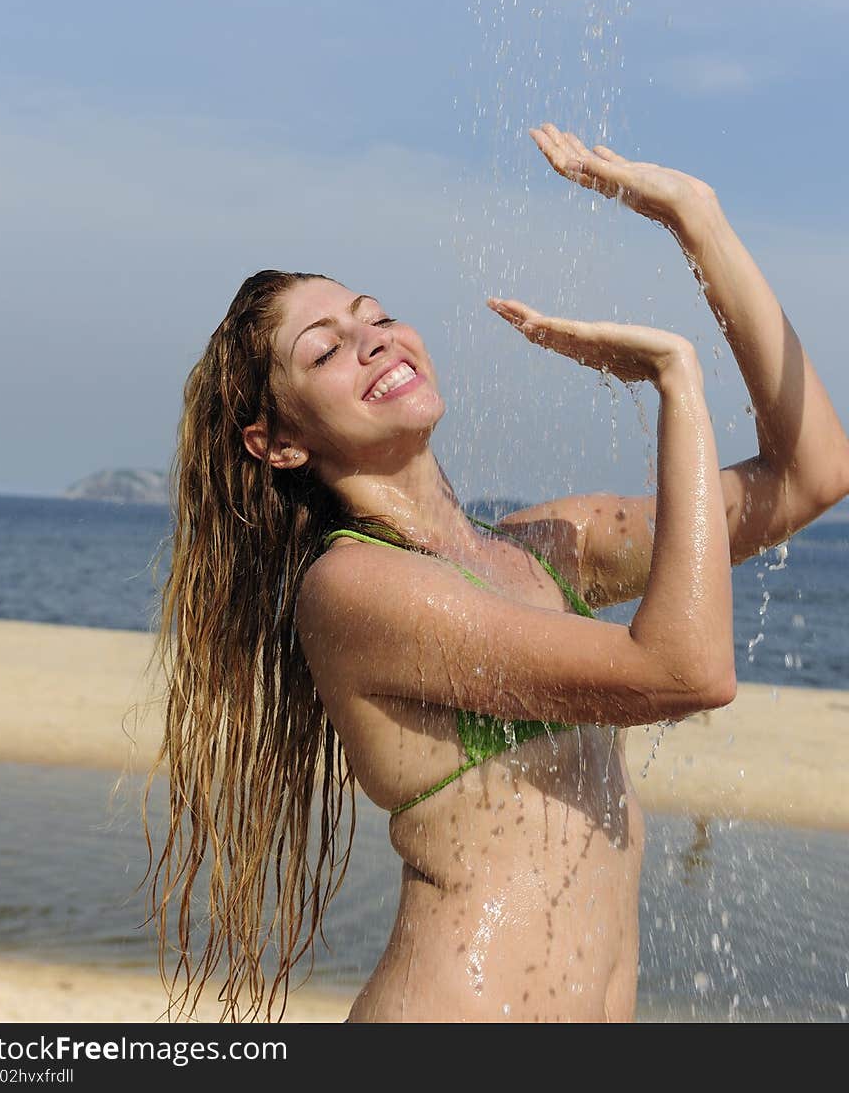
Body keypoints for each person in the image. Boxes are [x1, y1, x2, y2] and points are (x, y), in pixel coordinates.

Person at [141, 123, 849, 1024]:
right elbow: (686, 672)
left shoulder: (546, 550)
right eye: (324, 350)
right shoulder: (356, 588)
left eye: (377, 315)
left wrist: (695, 219)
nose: (374, 342)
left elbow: (812, 472)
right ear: (277, 442)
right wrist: (678, 385)